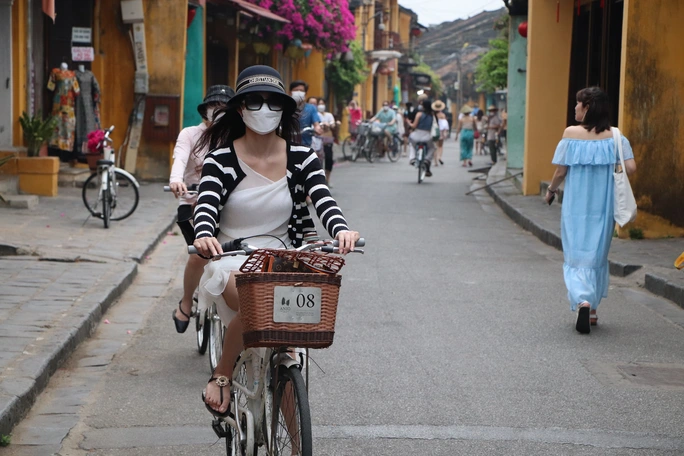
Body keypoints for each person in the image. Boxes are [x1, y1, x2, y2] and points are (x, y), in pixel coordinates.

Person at [191, 65, 360, 415]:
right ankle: (222, 374)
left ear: (284, 109)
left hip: (285, 258)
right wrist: (204, 234)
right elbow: (206, 204)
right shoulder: (220, 160)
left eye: (273, 102)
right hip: (232, 258)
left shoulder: (302, 157)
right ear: (240, 108)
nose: (265, 109)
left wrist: (341, 229)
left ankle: (294, 434)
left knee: (287, 340)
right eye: (255, 101)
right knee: (257, 303)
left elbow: (324, 200)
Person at [544, 87, 636, 334]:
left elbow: (561, 171)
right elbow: (631, 168)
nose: (575, 107)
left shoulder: (571, 133)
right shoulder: (616, 136)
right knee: (596, 254)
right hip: (603, 205)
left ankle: (582, 300)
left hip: (576, 204)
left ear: (587, 107)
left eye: (578, 103)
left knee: (575, 254)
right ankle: (592, 309)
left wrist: (551, 190)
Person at [169, 84, 234, 333]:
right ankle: (186, 302)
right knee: (199, 254)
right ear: (204, 110)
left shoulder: (235, 136)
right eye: (213, 106)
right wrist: (176, 180)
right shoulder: (190, 134)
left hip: (227, 205)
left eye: (224, 107)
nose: (218, 111)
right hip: (192, 202)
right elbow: (180, 158)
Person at [407, 98, 436, 177]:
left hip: (416, 135)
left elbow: (414, 126)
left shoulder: (419, 114)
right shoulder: (432, 115)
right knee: (432, 148)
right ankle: (427, 159)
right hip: (427, 136)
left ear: (423, 106)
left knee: (411, 145)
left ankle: (412, 158)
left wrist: (409, 123)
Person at [289, 80, 321, 147]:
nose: (298, 92)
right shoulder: (285, 106)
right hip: (287, 143)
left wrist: (317, 128)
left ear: (305, 93)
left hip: (305, 144)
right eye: (296, 90)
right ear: (290, 92)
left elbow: (316, 124)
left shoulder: (311, 108)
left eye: (301, 90)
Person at [317, 98, 336, 184]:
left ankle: (327, 179)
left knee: (329, 158)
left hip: (328, 139)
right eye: (319, 104)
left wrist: (331, 124)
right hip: (317, 139)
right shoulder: (316, 115)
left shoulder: (329, 115)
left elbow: (333, 124)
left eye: (322, 104)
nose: (321, 106)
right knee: (318, 159)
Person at [432, 100, 449, 166]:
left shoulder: (433, 115)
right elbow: (445, 125)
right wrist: (445, 132)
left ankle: (435, 161)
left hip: (435, 131)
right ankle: (439, 157)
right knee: (440, 146)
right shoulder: (443, 115)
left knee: (435, 146)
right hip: (441, 132)